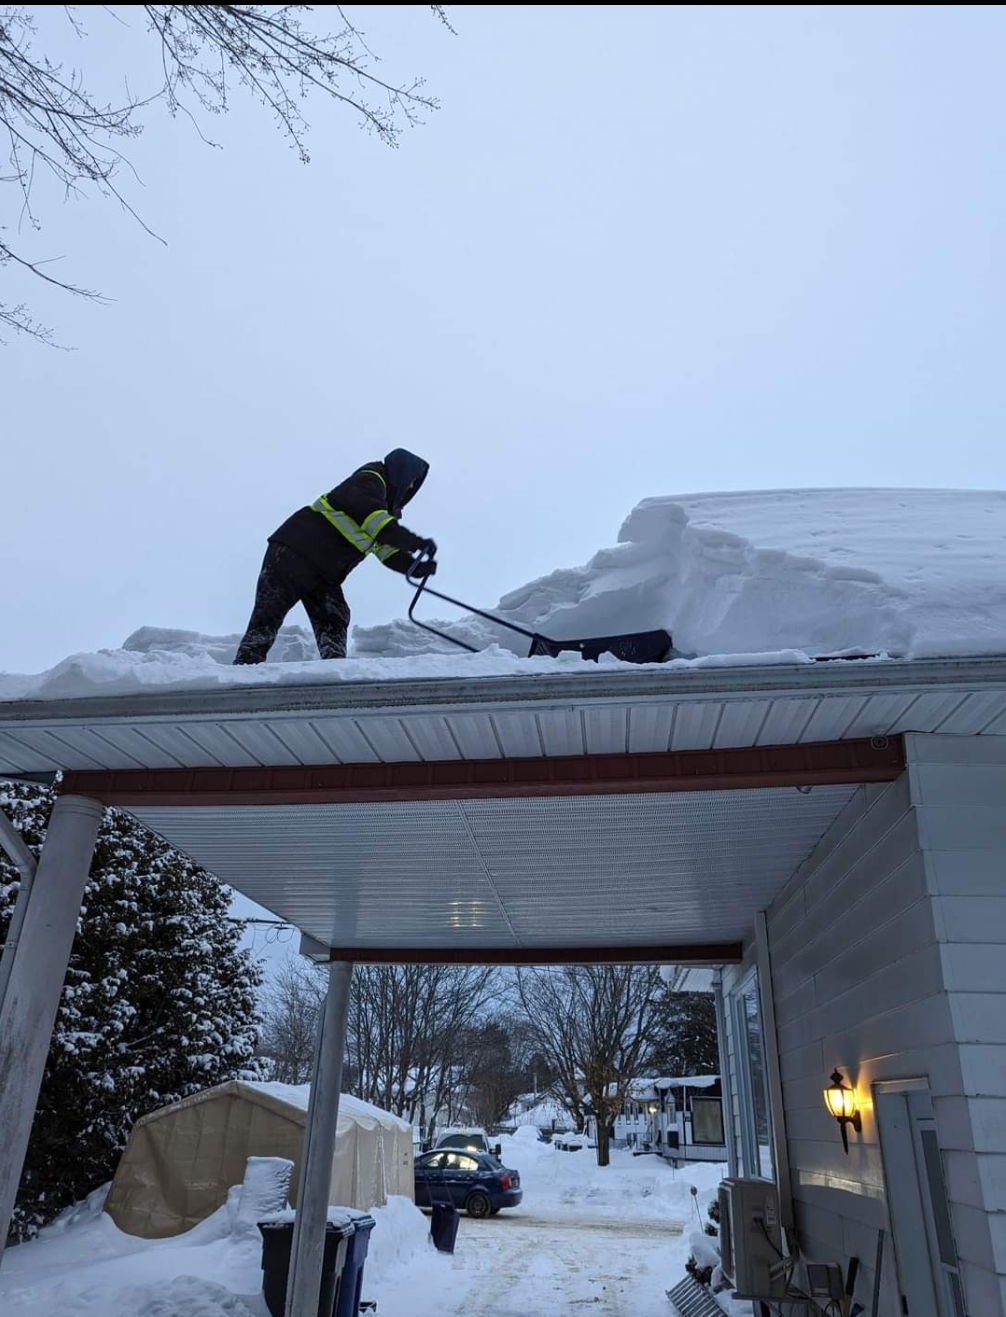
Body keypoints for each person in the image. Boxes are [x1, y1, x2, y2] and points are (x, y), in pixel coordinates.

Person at [233, 449, 436, 664]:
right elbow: (378, 525)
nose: (412, 487)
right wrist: (416, 542)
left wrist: (415, 566)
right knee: (268, 616)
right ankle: (244, 670)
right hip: (292, 553)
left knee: (334, 614)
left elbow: (387, 551)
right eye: (411, 480)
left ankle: (335, 668)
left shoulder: (384, 506)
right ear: (401, 472)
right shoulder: (369, 480)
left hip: (321, 571)